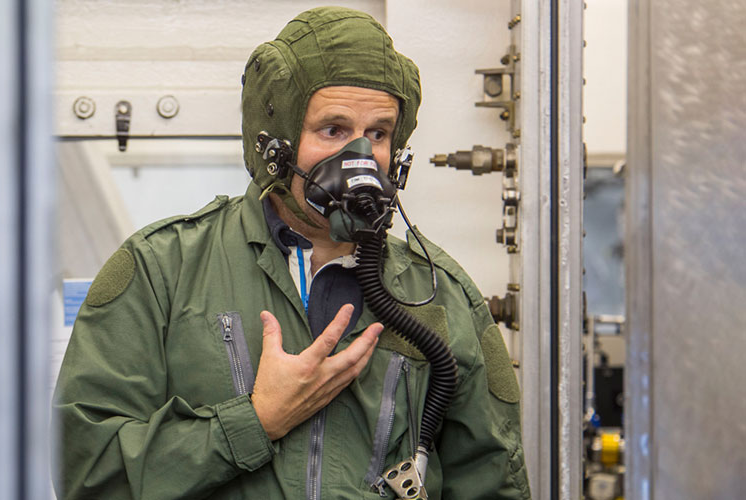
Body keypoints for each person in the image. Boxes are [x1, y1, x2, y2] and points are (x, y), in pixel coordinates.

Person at [54, 6, 531, 499]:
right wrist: (256, 421)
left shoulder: (439, 296)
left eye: (378, 134)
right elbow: (88, 472)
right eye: (333, 130)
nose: (360, 158)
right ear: (275, 147)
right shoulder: (162, 271)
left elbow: (494, 483)